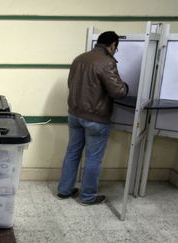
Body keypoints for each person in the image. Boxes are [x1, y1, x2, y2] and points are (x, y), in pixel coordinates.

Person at [57, 31, 128, 205]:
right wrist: (126, 86)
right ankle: (87, 197)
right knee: (93, 158)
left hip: (74, 114)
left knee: (72, 152)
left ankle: (64, 190)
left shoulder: (79, 58)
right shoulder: (107, 62)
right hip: (95, 118)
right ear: (112, 45)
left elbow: (71, 84)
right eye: (115, 48)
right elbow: (118, 92)